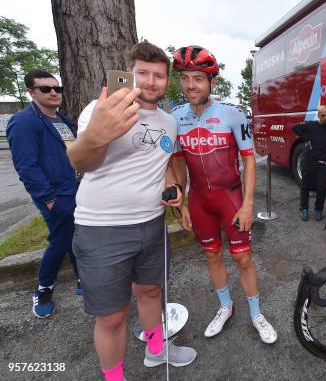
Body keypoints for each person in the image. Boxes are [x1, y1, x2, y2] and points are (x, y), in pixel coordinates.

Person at [67, 41, 196, 381]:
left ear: (167, 80)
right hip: (102, 228)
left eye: (159, 75)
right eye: (143, 74)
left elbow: (163, 163)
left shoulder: (169, 122)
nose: (151, 82)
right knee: (112, 317)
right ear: (131, 74)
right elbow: (82, 162)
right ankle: (115, 377)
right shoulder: (102, 109)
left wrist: (175, 190)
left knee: (151, 292)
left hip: (152, 224)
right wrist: (97, 134)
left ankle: (157, 351)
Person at [171, 45, 277, 344]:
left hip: (230, 198)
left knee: (243, 259)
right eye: (186, 78)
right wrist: (182, 207)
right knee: (212, 255)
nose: (191, 85)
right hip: (199, 200)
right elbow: (176, 162)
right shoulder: (176, 117)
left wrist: (248, 204)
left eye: (199, 79)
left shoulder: (232, 113)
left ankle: (256, 314)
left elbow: (248, 160)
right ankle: (225, 307)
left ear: (211, 83)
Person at [7, 70, 81, 318]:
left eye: (56, 88)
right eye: (45, 89)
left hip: (77, 190)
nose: (53, 93)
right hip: (55, 195)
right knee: (61, 240)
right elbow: (26, 167)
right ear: (31, 91)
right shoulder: (23, 121)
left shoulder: (62, 120)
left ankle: (82, 278)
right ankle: (43, 289)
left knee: (76, 233)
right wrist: (49, 199)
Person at [292, 105, 326, 221]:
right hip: (309, 161)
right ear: (318, 115)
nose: (325, 118)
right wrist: (306, 139)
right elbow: (295, 127)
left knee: (321, 189)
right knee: (305, 186)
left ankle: (318, 210)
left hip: (323, 163)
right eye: (323, 116)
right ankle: (304, 209)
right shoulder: (311, 125)